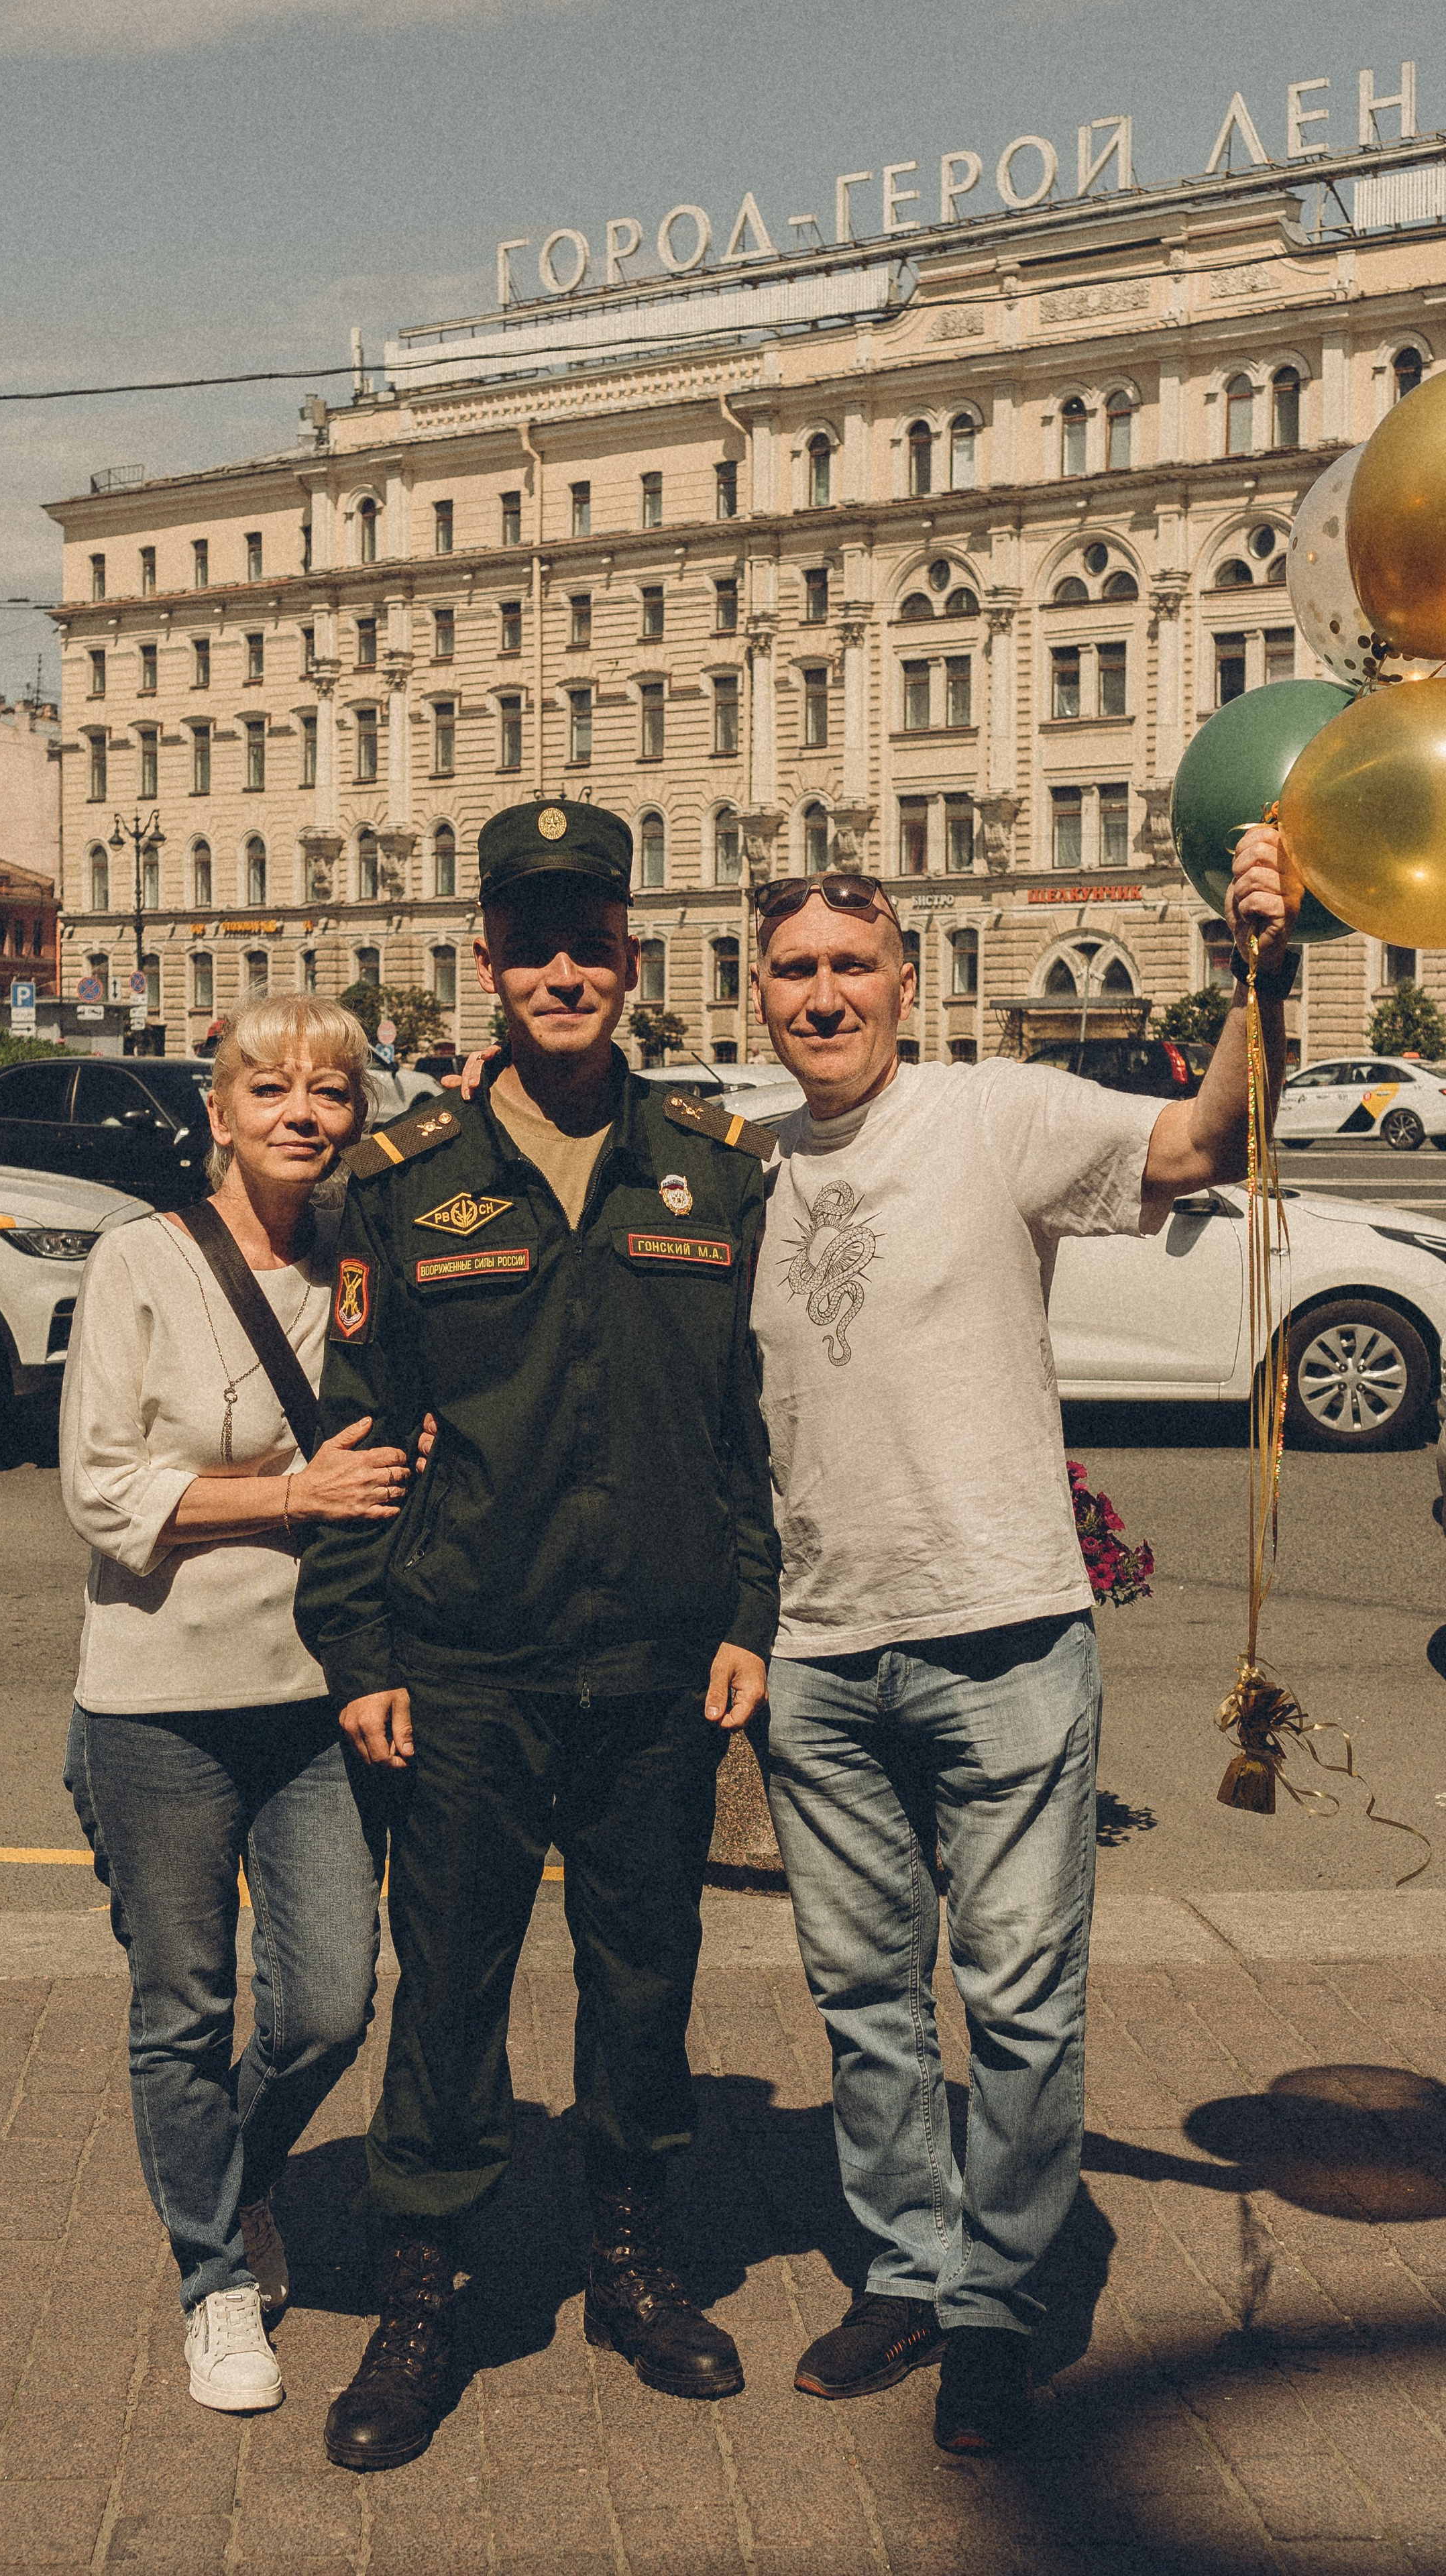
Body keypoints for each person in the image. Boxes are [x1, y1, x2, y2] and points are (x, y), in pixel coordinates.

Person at [746, 824, 1296, 2454]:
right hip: (817, 1650)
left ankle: (997, 2297)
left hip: (997, 1627)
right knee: (859, 1994)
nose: (824, 994)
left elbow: (1206, 1142)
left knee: (1021, 1998)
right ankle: (907, 2270)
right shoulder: (749, 1161)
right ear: (759, 991)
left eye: (853, 965)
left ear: (905, 983)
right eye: (794, 970)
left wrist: (1253, 963)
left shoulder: (994, 1114)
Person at [295, 797, 781, 2471]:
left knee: (644, 1979)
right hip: (466, 1667)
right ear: (483, 962)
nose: (562, 969)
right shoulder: (406, 1183)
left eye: (591, 939)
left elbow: (745, 1426)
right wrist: (358, 1658)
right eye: (531, 942)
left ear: (631, 959)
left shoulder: (715, 1168)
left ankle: (630, 2260)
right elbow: (358, 1443)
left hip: (655, 1666)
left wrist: (748, 1615)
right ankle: (423, 2288)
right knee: (451, 1988)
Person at [61, 994, 423, 2414]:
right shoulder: (139, 1264)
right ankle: (214, 2276)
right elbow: (101, 1491)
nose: (300, 1112)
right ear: (216, 1113)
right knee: (182, 2003)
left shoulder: (361, 1268)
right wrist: (296, 1492)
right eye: (268, 1088)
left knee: (330, 2001)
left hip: (318, 1688)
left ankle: (236, 2174)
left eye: (328, 1091)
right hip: (158, 1692)